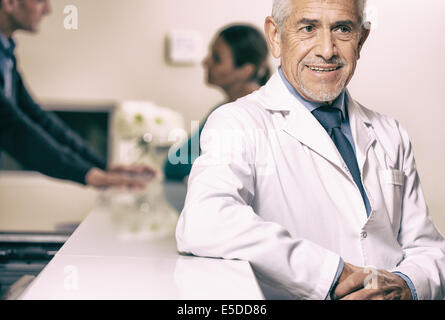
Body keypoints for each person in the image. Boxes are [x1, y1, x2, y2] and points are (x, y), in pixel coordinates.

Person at [176, 0, 445, 300]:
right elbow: (206, 220)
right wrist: (334, 274)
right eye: (308, 28)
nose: (327, 50)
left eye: (343, 29)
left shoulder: (389, 132)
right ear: (276, 36)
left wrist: (407, 285)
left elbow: (428, 248)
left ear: (361, 40)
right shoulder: (236, 122)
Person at [0, 0, 154, 188]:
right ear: (9, 3)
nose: (48, 10)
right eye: (40, 1)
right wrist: (88, 174)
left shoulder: (5, 52)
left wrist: (102, 166)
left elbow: (37, 118)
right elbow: (11, 127)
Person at [164, 24, 270, 181]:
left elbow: (177, 165)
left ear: (245, 70)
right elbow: (176, 165)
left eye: (216, 58)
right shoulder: (223, 109)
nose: (205, 62)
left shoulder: (260, 115)